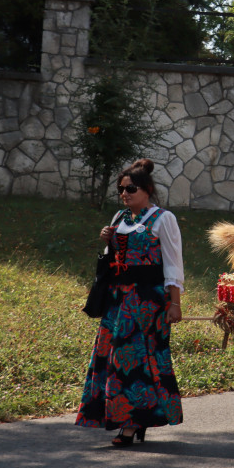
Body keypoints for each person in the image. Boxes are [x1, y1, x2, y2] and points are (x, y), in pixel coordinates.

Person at [76, 159, 184, 446]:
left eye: (131, 189)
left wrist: (175, 304)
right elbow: (112, 261)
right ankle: (122, 419)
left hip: (148, 302)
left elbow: (173, 266)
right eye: (121, 189)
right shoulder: (119, 218)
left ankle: (133, 423)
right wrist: (106, 240)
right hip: (117, 300)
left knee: (138, 360)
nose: (125, 194)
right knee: (113, 358)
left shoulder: (163, 219)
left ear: (147, 190)